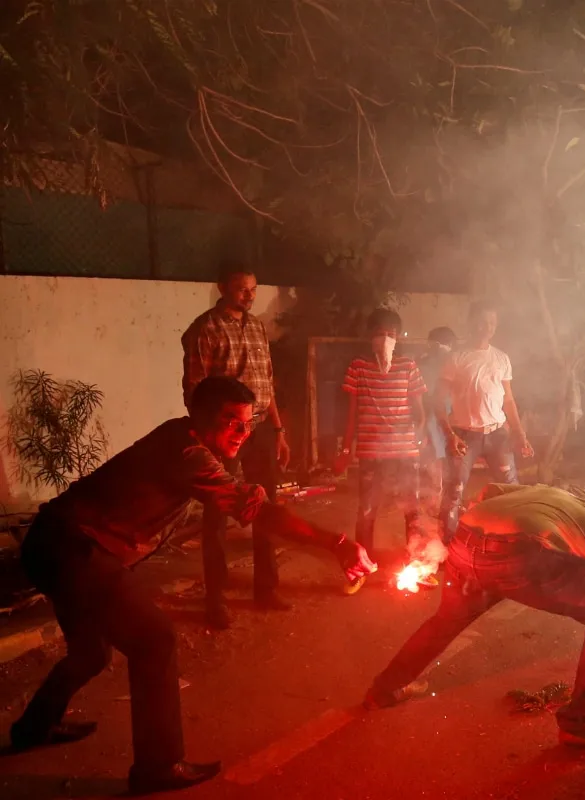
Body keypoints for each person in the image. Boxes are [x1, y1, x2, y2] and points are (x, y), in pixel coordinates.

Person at [9, 377, 375, 794]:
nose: (243, 432)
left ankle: (34, 727)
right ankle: (158, 766)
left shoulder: (179, 435)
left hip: (55, 541)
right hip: (75, 548)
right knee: (154, 639)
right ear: (200, 417)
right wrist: (337, 543)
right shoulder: (187, 454)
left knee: (92, 652)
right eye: (231, 422)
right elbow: (259, 512)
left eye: (248, 422)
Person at [364, 483, 585, 747]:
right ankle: (580, 723)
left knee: (447, 620)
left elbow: (492, 489)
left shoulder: (559, 496)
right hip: (513, 557)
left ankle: (385, 688)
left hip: (465, 543)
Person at [181, 262, 290, 630]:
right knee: (218, 513)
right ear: (223, 287)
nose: (250, 296)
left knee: (266, 505)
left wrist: (278, 430)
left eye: (253, 289)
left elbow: (267, 383)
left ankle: (266, 589)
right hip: (224, 433)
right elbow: (195, 389)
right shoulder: (204, 330)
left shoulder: (257, 326)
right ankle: (216, 600)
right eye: (243, 289)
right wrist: (208, 439)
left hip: (259, 429)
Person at [335, 309, 427, 589]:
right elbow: (351, 413)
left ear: (398, 338)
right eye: (380, 334)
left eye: (391, 334)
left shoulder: (408, 366)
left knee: (412, 509)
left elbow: (419, 412)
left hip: (404, 452)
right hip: (370, 451)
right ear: (370, 337)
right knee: (367, 511)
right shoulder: (358, 367)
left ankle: (418, 565)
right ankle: (361, 567)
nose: (386, 339)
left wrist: (419, 435)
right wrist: (345, 448)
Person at [436, 302, 534, 540]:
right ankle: (444, 550)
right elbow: (437, 401)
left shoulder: (501, 359)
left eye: (491, 322)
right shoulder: (457, 358)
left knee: (511, 490)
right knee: (454, 491)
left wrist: (520, 435)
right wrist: (450, 435)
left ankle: (514, 542)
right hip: (464, 435)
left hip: (497, 434)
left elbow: (508, 401)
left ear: (496, 326)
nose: (486, 327)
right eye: (481, 321)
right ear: (471, 324)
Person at [417, 326, 457, 512]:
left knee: (447, 461)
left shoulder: (456, 363)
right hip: (430, 418)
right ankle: (434, 502)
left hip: (451, 419)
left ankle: (445, 503)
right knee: (432, 460)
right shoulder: (423, 363)